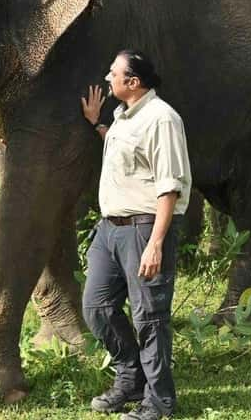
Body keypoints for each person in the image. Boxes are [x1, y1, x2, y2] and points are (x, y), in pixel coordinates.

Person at [80, 49, 192, 420]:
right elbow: (129, 157)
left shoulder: (162, 120)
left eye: (114, 73)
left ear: (133, 82)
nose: (108, 77)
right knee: (96, 307)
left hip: (144, 229)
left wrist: (156, 243)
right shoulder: (125, 118)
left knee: (149, 317)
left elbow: (168, 187)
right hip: (110, 229)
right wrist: (98, 124)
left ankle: (159, 402)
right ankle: (131, 378)